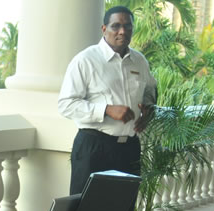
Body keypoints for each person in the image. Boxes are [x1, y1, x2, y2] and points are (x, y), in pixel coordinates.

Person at [59, 5, 157, 196]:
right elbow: (66, 104)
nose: (122, 31)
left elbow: (150, 89)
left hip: (129, 149)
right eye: (116, 26)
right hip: (94, 148)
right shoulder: (85, 60)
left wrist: (148, 109)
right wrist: (106, 109)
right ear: (104, 29)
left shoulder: (139, 61)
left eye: (128, 26)